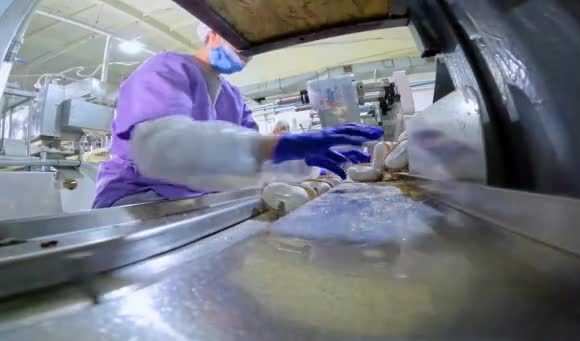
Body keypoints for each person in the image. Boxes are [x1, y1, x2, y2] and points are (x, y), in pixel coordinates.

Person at [93, 24, 382, 208]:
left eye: (252, 42)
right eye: (237, 37)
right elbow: (162, 150)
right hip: (138, 198)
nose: (246, 48)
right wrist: (278, 146)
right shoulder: (165, 68)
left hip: (195, 199)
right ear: (211, 32)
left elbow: (253, 161)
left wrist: (306, 165)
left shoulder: (233, 97)